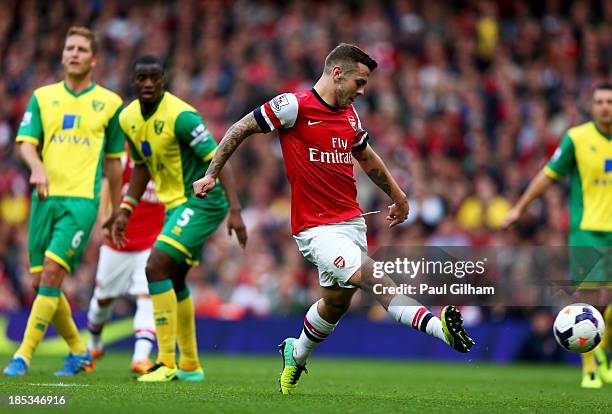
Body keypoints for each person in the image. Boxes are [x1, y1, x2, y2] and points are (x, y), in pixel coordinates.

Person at [193, 43, 475, 395]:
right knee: (374, 277)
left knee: (336, 303)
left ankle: (295, 353)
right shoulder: (294, 106)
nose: (361, 91)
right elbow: (239, 128)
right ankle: (439, 328)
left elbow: (367, 157)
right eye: (358, 82)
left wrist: (398, 196)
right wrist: (211, 174)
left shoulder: (350, 116)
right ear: (336, 73)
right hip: (316, 231)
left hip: (351, 224)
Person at [110, 55, 247, 382]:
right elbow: (142, 165)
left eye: (153, 78)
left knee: (155, 266)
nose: (147, 84)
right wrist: (125, 209)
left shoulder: (182, 116)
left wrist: (235, 209)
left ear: (163, 81)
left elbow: (218, 157)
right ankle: (189, 365)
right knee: (175, 278)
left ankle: (166, 362)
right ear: (133, 81)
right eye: (141, 77)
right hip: (175, 205)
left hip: (202, 199)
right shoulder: (127, 118)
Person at [3, 27, 124, 377]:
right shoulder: (42, 98)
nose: (73, 53)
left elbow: (114, 162)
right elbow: (25, 142)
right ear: (62, 55)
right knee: (42, 284)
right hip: (43, 198)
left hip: (82, 200)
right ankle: (78, 351)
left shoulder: (109, 103)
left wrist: (114, 209)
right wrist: (37, 167)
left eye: (81, 49)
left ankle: (23, 356)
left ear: (94, 58)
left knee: (54, 273)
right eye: (69, 47)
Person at [502, 82, 612, 389]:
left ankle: (601, 349)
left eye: (610, 102)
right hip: (587, 230)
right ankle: (589, 365)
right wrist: (520, 208)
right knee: (590, 299)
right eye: (600, 101)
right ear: (592, 106)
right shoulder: (577, 139)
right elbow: (548, 174)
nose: (605, 107)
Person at [86, 147, 165, 374]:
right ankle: (94, 345)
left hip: (152, 240)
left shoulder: (169, 152)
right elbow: (106, 185)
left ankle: (140, 357)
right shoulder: (124, 153)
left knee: (147, 296)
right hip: (119, 240)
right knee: (103, 299)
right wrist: (104, 220)